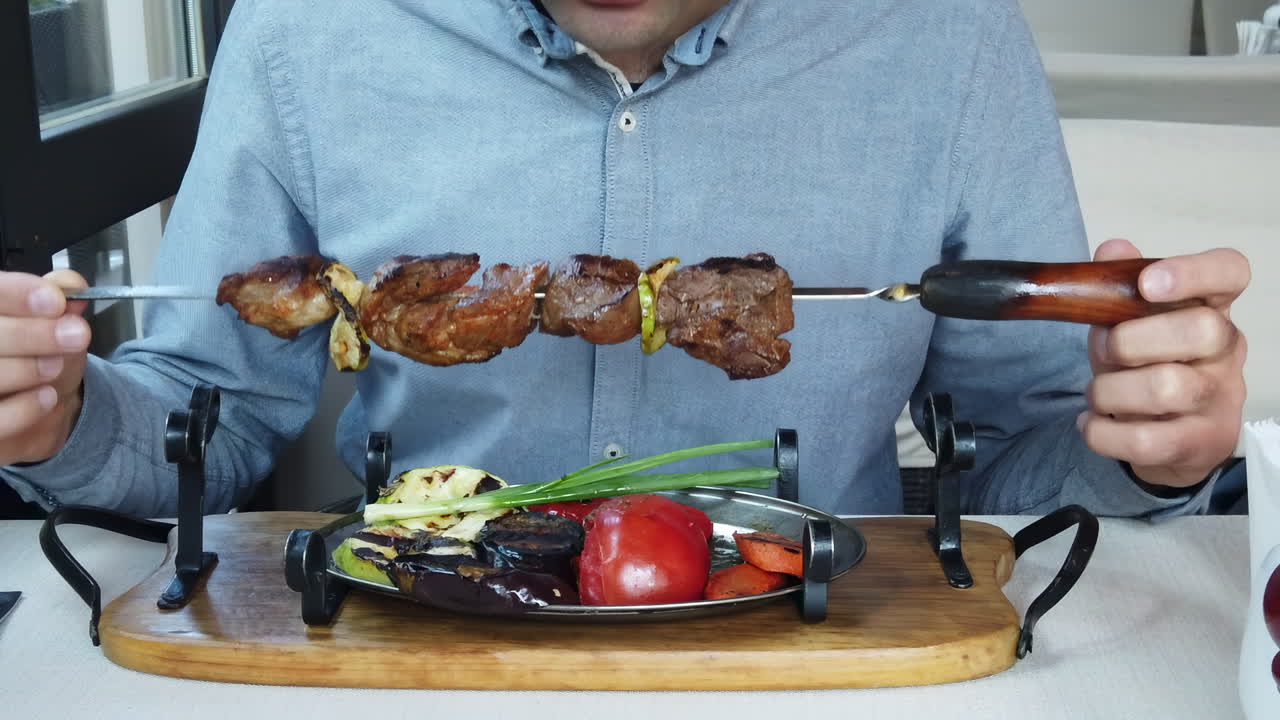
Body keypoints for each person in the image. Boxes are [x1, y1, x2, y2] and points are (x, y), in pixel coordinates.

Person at [0, 0, 1250, 519]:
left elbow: (1022, 466)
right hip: (419, 659)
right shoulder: (312, 32)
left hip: (834, 663)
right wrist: (60, 416)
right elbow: (198, 430)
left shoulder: (943, 37)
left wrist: (1150, 452)